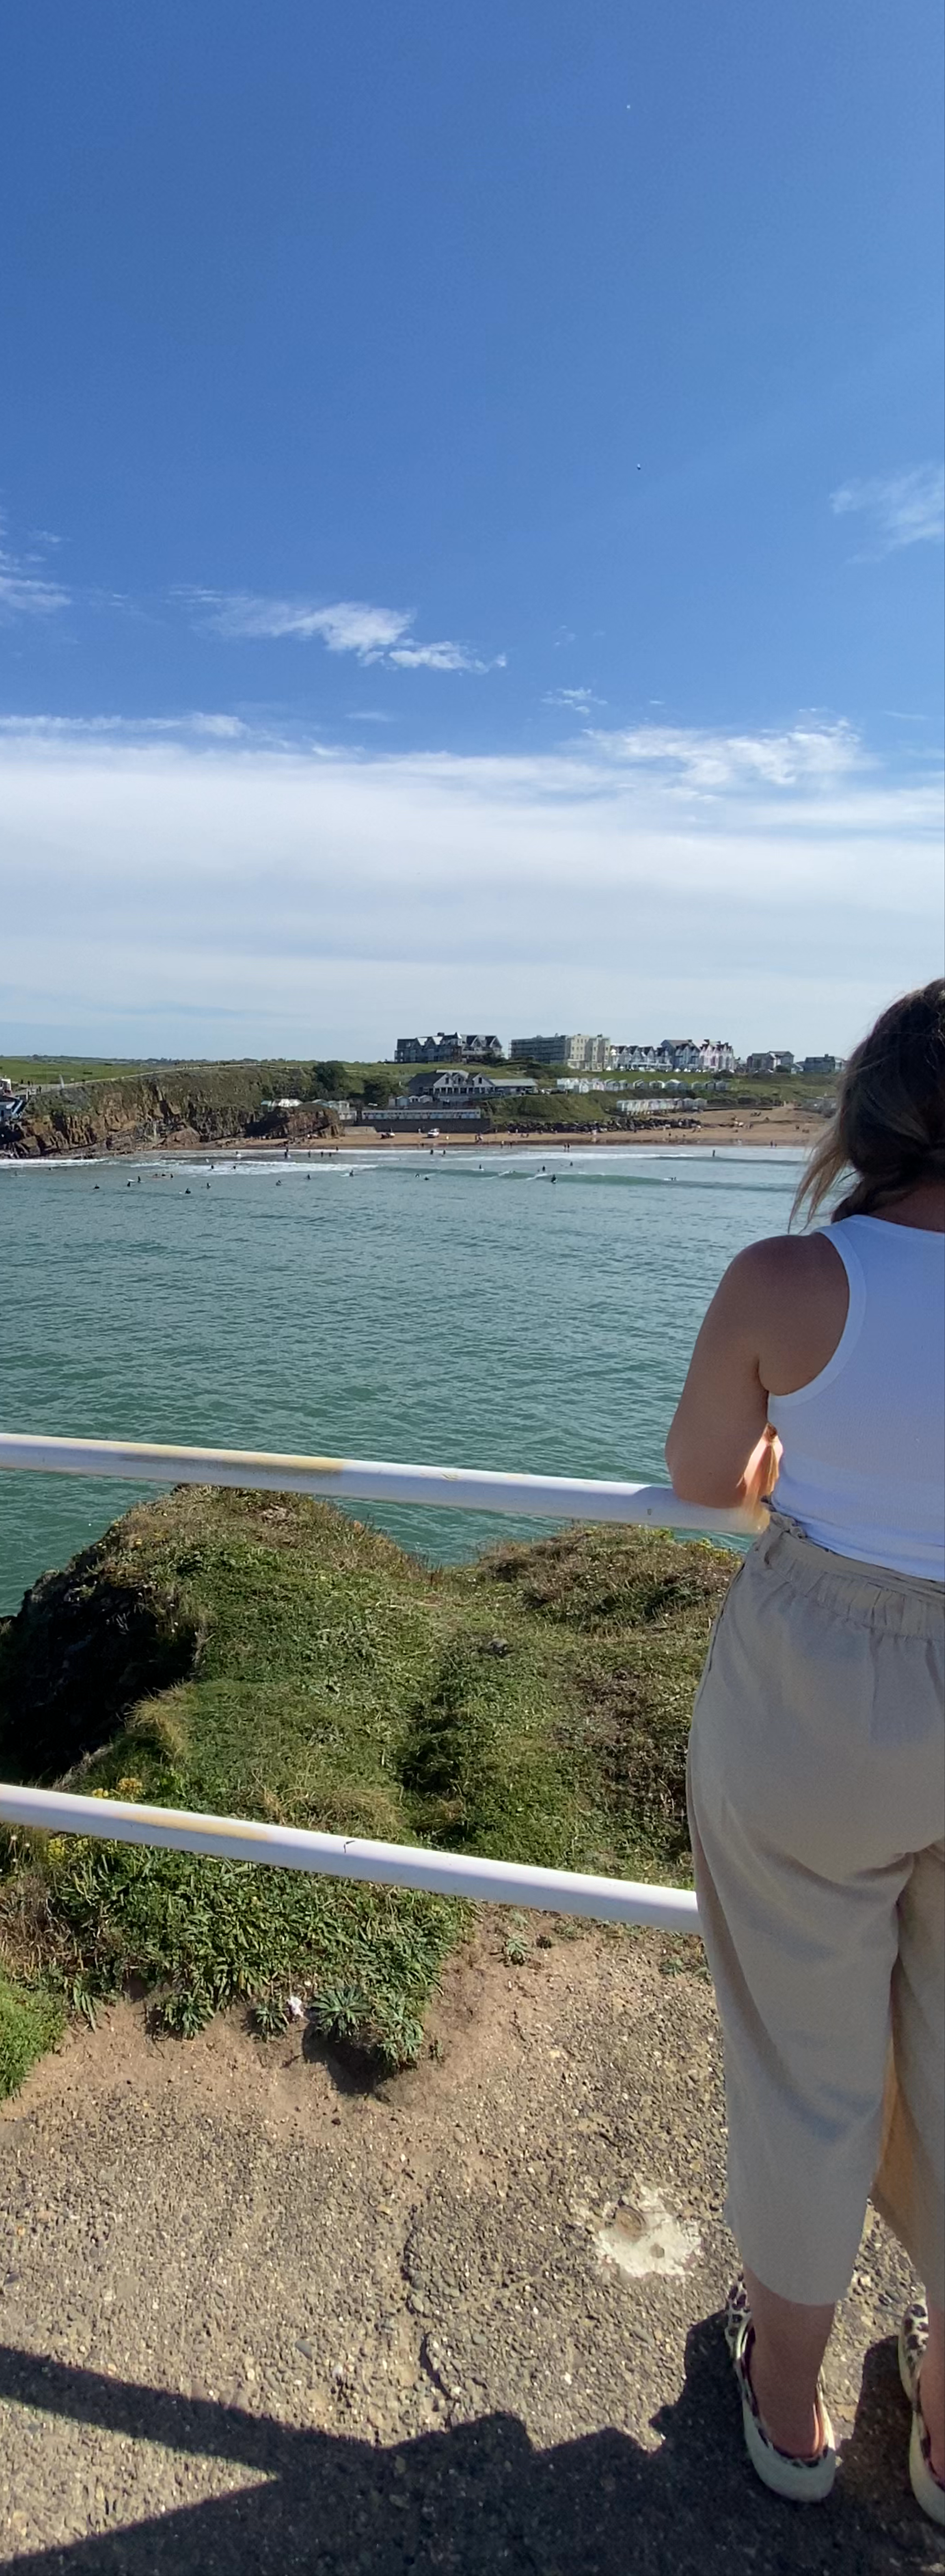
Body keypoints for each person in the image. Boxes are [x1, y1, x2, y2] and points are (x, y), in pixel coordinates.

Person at [665, 979, 945, 2516]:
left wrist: (790, 1456)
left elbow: (710, 1471)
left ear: (875, 1115)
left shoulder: (792, 1276)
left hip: (820, 1691)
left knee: (803, 2057)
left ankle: (791, 2414)